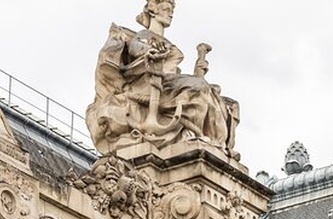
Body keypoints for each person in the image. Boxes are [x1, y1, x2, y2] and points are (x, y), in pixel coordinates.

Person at [86, 0, 238, 157]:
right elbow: (135, 48)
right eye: (166, 9)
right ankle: (208, 138)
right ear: (153, 11)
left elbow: (174, 76)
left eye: (171, 10)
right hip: (147, 84)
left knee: (223, 100)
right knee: (200, 88)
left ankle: (215, 142)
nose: (170, 14)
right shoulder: (144, 35)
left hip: (167, 84)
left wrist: (198, 72)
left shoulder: (169, 45)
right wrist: (149, 52)